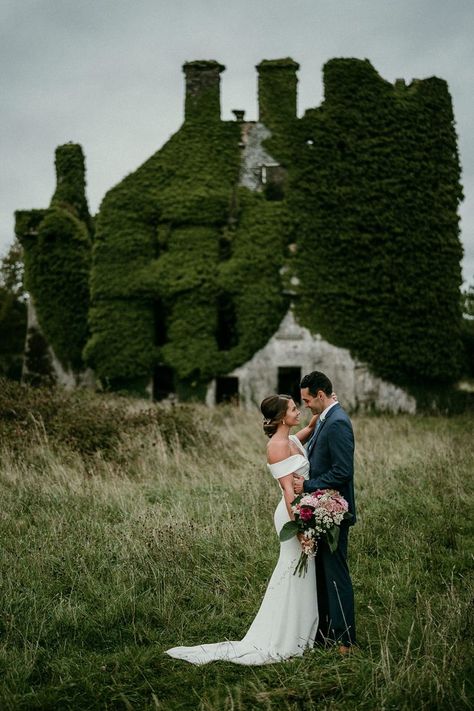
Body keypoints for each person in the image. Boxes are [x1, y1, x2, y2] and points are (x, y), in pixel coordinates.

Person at [165, 394, 319, 665]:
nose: (299, 411)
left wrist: (322, 409)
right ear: (283, 417)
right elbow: (287, 491)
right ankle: (284, 635)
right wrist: (300, 529)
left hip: (302, 509)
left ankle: (301, 629)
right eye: (295, 408)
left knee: (302, 571)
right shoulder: (276, 446)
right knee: (292, 567)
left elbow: (308, 430)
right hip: (291, 513)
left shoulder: (292, 440)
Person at [293, 371, 356, 653]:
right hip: (319, 509)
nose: (305, 404)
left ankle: (346, 640)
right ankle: (326, 633)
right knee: (322, 574)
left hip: (334, 511)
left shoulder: (339, 423)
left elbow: (342, 472)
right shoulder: (326, 418)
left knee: (336, 573)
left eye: (307, 400)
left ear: (320, 395)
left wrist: (307, 485)